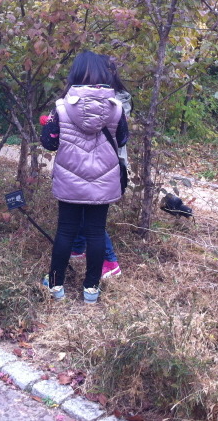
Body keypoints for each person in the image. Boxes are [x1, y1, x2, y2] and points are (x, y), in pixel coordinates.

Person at [41, 50, 128, 303]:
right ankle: (91, 289)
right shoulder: (116, 108)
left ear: (75, 74)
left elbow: (48, 143)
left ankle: (56, 284)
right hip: (103, 181)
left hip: (70, 180)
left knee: (65, 231)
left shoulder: (61, 107)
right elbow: (122, 139)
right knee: (96, 232)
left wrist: (49, 125)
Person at [69, 55, 131, 279]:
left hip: (106, 165)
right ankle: (78, 247)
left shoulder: (116, 101)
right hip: (91, 162)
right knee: (80, 206)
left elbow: (111, 133)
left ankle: (110, 261)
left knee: (92, 214)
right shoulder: (103, 98)